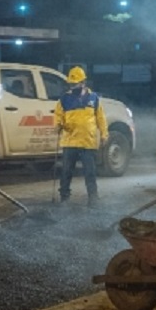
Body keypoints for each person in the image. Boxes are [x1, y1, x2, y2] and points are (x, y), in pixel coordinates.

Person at [54, 66, 108, 206]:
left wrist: (104, 134)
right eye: (71, 84)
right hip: (70, 142)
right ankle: (64, 198)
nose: (72, 86)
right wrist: (58, 124)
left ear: (83, 82)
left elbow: (101, 118)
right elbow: (58, 115)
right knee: (66, 172)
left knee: (90, 172)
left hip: (87, 142)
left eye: (75, 83)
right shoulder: (64, 99)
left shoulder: (94, 98)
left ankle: (93, 198)